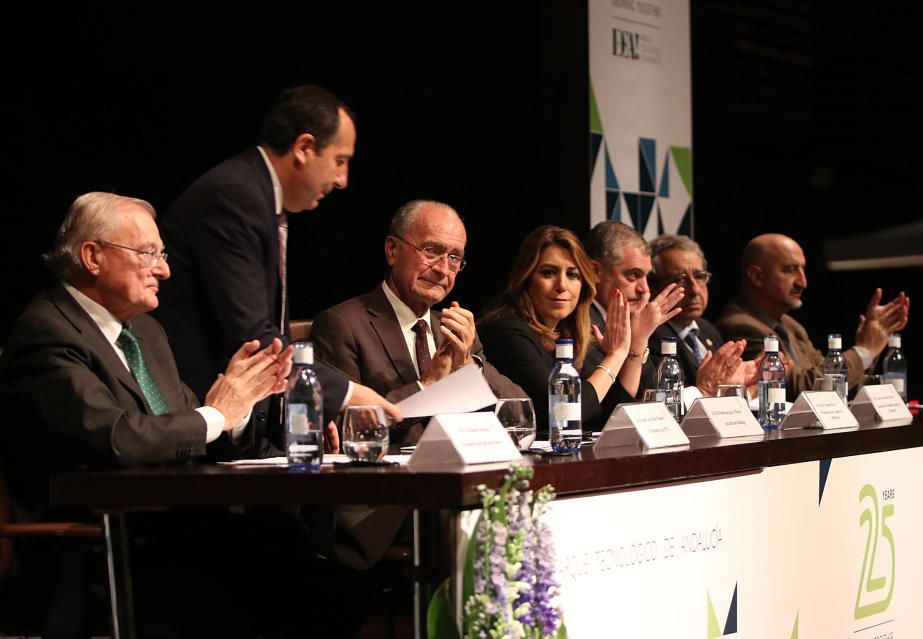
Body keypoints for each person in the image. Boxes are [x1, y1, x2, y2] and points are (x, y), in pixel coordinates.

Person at [0, 193, 356, 636]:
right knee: (291, 579)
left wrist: (239, 408)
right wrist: (217, 412)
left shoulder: (146, 332)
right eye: (148, 253)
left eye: (162, 254)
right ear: (92, 255)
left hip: (177, 523)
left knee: (315, 564)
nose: (164, 269)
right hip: (104, 540)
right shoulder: (46, 332)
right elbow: (116, 437)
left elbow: (192, 421)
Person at [155, 85, 398, 456]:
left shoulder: (260, 198)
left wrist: (307, 402)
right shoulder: (233, 197)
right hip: (198, 431)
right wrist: (347, 393)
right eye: (339, 160)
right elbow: (252, 335)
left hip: (246, 425)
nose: (343, 179)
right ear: (303, 148)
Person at [311, 199, 524, 444]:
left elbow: (518, 416)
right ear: (392, 250)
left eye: (454, 257)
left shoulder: (454, 331)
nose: (443, 269)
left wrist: (469, 366)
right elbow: (346, 430)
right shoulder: (343, 325)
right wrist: (426, 386)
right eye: (431, 251)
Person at [478, 225, 644, 437]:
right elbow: (565, 412)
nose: (562, 286)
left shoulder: (568, 334)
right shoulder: (504, 330)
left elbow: (612, 413)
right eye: (549, 273)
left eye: (572, 275)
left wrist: (635, 348)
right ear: (526, 278)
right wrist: (617, 354)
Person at [716, 233, 909, 398]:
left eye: (803, 270)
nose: (803, 282)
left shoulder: (792, 326)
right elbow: (801, 389)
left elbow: (833, 384)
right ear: (757, 276)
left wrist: (870, 348)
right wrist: (865, 351)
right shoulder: (740, 326)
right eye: (790, 270)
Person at [582, 221, 686, 396]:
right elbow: (605, 405)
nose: (644, 289)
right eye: (633, 275)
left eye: (646, 276)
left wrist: (639, 340)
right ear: (595, 271)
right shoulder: (580, 324)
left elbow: (652, 396)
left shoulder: (635, 323)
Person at [648, 234, 758, 400]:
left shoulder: (707, 329)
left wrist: (746, 387)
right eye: (680, 279)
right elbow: (662, 401)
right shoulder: (652, 335)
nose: (695, 289)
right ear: (655, 287)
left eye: (699, 276)